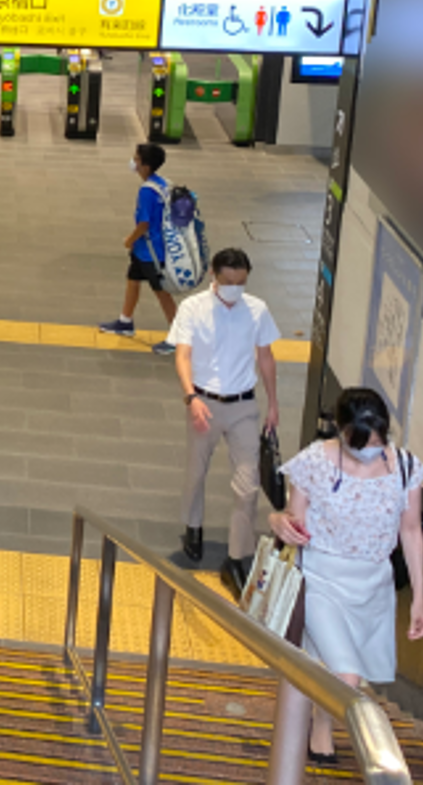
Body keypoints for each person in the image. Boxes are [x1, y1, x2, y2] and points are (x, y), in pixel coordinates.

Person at [270, 389, 423, 765]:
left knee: (333, 661)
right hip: (321, 577)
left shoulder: (406, 467)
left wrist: (419, 598)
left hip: (373, 585)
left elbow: (411, 531)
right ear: (341, 431)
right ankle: (361, 751)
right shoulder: (315, 461)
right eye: (359, 444)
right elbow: (293, 521)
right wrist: (277, 521)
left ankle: (320, 724)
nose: (369, 451)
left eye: (376, 443)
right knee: (347, 676)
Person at [169, 247, 280, 591]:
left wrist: (273, 403)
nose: (235, 288)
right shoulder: (193, 308)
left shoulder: (257, 310)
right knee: (196, 470)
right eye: (228, 281)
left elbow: (266, 357)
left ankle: (236, 556)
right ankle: (193, 525)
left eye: (241, 282)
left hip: (244, 406)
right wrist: (191, 397)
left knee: (248, 486)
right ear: (213, 277)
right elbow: (183, 355)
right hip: (203, 402)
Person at [100, 142, 179, 355]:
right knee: (133, 279)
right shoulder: (164, 184)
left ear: (145, 166)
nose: (133, 162)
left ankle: (177, 336)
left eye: (136, 159)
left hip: (151, 252)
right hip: (145, 249)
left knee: (161, 292)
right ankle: (125, 321)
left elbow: (143, 223)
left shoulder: (147, 191)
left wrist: (130, 239)